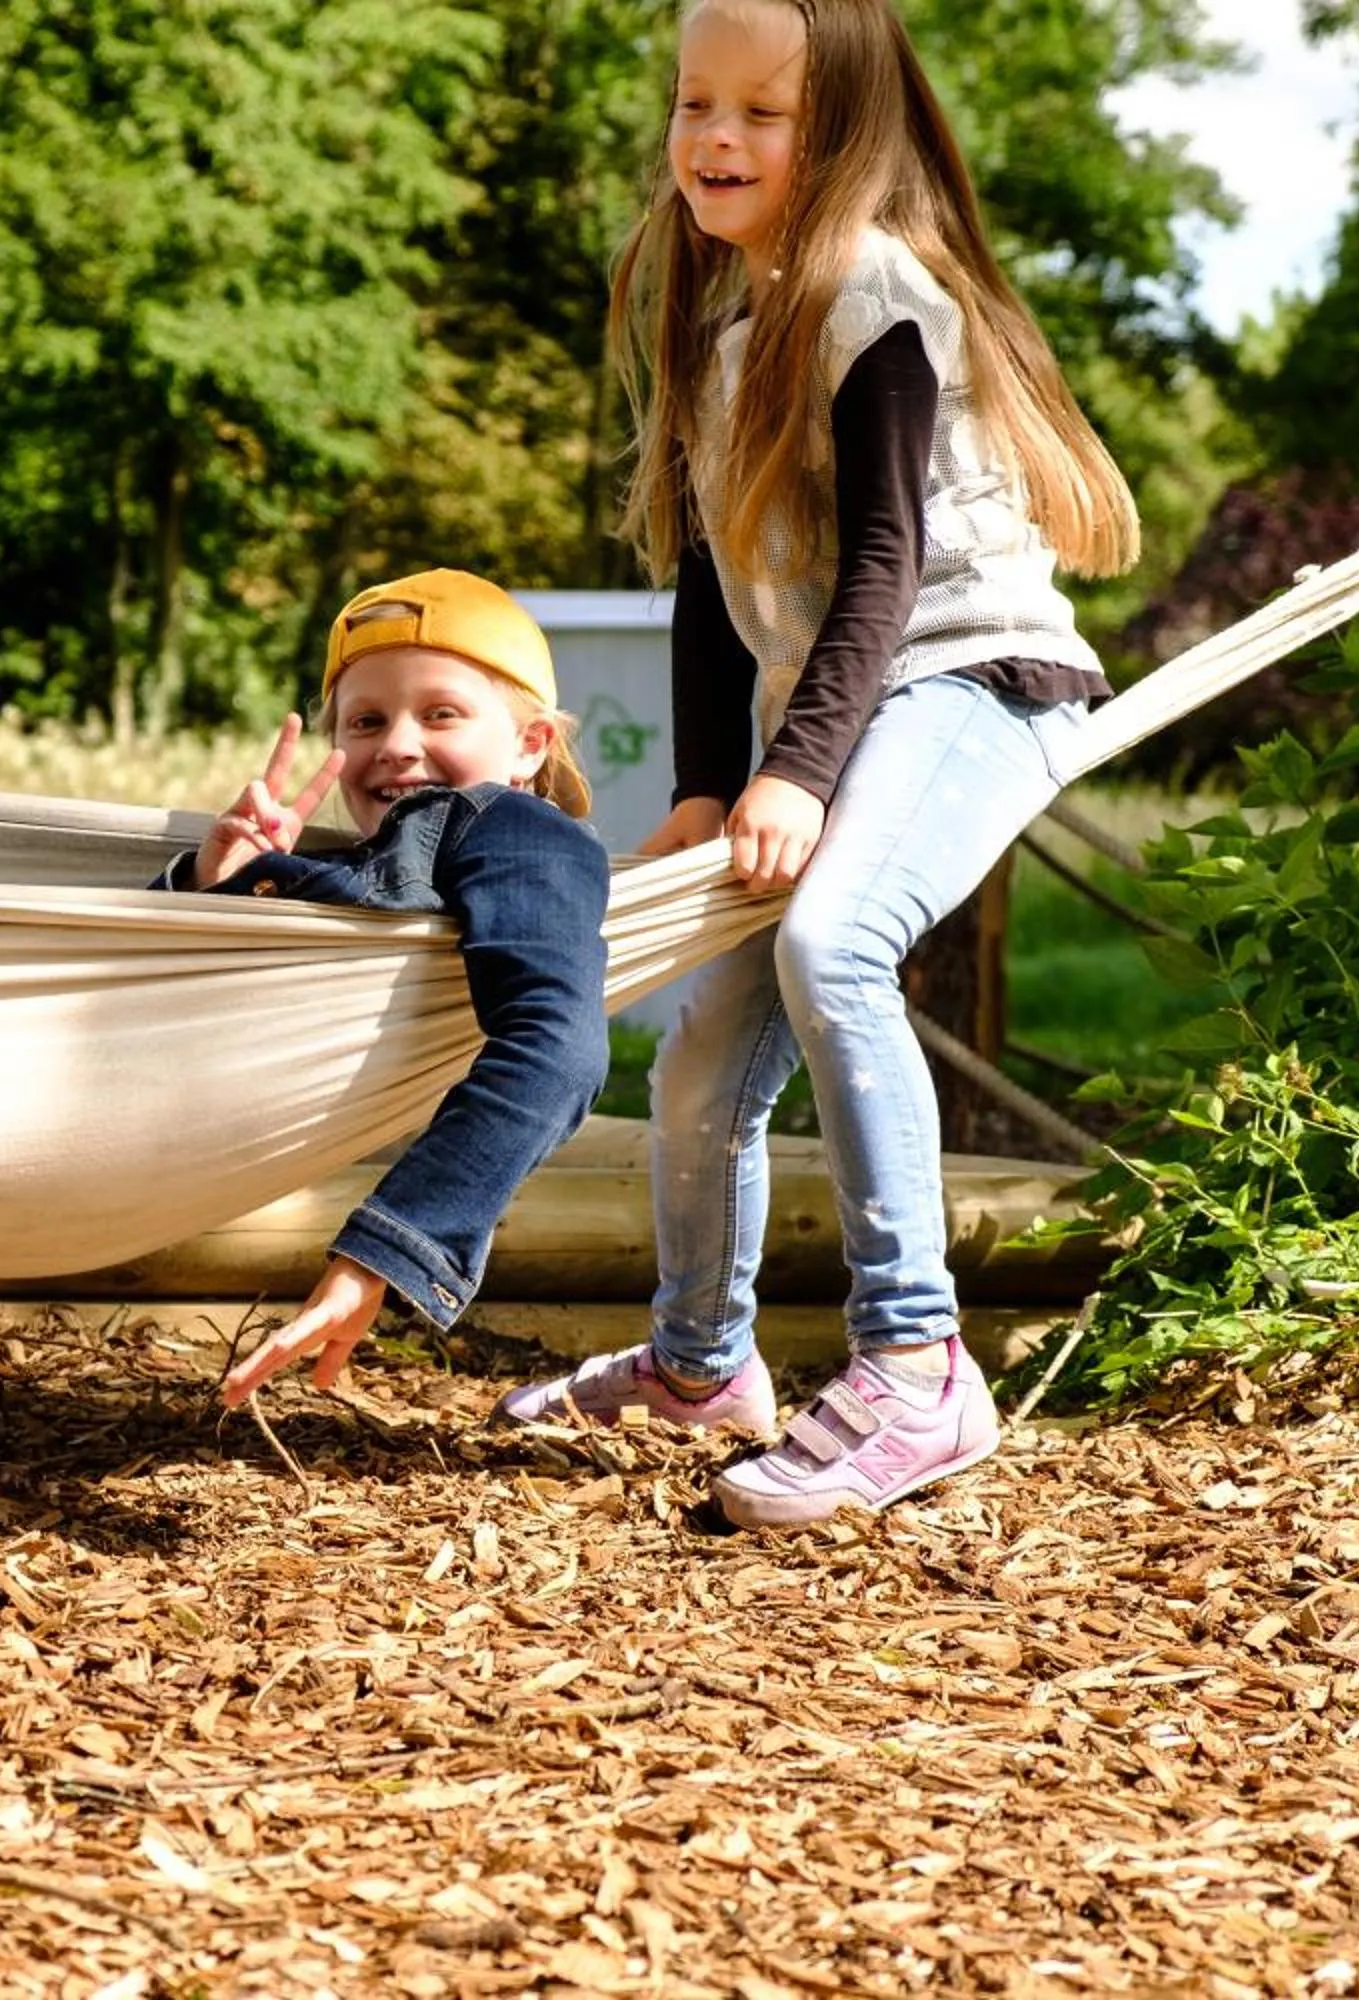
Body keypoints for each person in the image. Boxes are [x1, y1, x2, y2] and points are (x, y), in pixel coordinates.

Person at [494, 0, 1138, 1527]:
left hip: (977, 677)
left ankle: (917, 1363)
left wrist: (797, 772)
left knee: (833, 942)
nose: (715, 139)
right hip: (846, 715)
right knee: (705, 1047)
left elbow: (888, 571)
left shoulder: (871, 291)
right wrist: (717, 784)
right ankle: (700, 1361)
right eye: (694, 105)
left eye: (760, 115)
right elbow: (714, 592)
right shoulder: (724, 326)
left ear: (838, 132)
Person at [0, 568, 610, 1395]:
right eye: (365, 720)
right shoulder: (372, 854)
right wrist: (212, 886)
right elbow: (167, 988)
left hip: (26, 1036)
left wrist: (389, 1251)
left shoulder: (515, 831)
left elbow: (554, 1045)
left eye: (440, 714)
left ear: (531, 743)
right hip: (32, 1022)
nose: (396, 745)